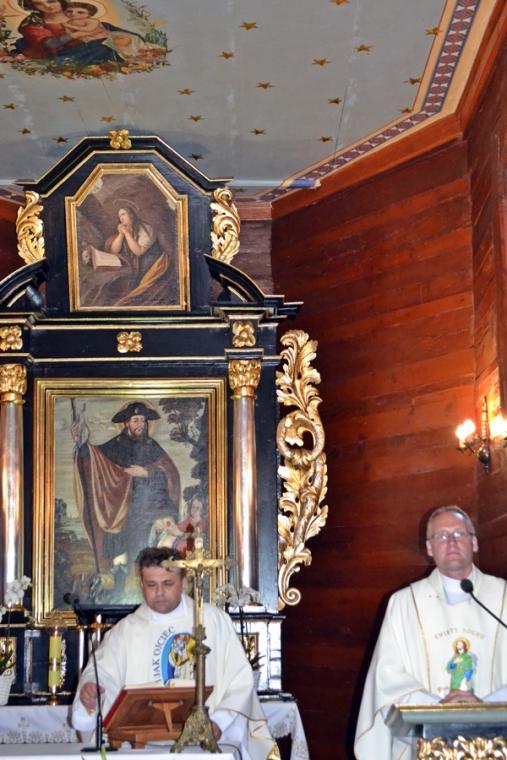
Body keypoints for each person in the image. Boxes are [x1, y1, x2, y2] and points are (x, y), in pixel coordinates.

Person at [71, 547, 278, 760]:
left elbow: (239, 681)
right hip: (142, 747)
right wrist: (90, 690)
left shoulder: (213, 620)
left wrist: (218, 722)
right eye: (151, 585)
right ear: (141, 585)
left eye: (167, 584)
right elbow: (102, 674)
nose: (159, 592)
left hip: (206, 745)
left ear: (184, 582)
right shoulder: (125, 631)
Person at [354, 505, 507, 760]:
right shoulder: (404, 604)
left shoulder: (503, 596)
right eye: (441, 536)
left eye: (459, 534)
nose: (451, 542)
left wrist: (484, 707)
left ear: (474, 542)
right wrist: (438, 709)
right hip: (425, 746)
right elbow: (387, 681)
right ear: (429, 548)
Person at [73, 401, 180, 599]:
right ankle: (117, 594)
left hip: (145, 514)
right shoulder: (115, 445)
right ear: (126, 423)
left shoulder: (152, 447)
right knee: (119, 561)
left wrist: (146, 472)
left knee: (143, 555)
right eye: (136, 420)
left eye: (143, 420)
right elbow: (95, 460)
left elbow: (171, 474)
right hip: (119, 513)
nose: (140, 424)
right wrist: (81, 443)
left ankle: (145, 590)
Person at [81, 201, 175, 307]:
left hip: (154, 264)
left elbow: (138, 251)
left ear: (132, 215)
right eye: (119, 216)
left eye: (123, 214)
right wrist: (121, 234)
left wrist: (126, 233)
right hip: (137, 264)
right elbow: (114, 251)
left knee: (134, 286)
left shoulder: (146, 229)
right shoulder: (127, 229)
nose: (121, 218)